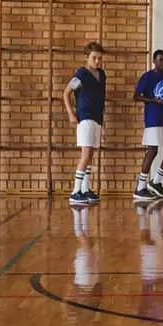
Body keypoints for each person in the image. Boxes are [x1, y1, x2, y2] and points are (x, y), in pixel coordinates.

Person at [63, 41, 106, 204]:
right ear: (87, 58)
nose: (97, 62)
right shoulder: (81, 74)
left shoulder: (102, 75)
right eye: (94, 58)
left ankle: (85, 189)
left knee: (91, 155)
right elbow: (66, 93)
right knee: (86, 154)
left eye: (100, 58)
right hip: (85, 117)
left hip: (97, 117)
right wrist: (71, 114)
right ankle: (75, 191)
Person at [133, 50, 163, 200]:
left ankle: (156, 182)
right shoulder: (147, 77)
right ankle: (140, 187)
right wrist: (153, 100)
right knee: (152, 151)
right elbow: (136, 96)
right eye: (160, 60)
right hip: (152, 118)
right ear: (154, 61)